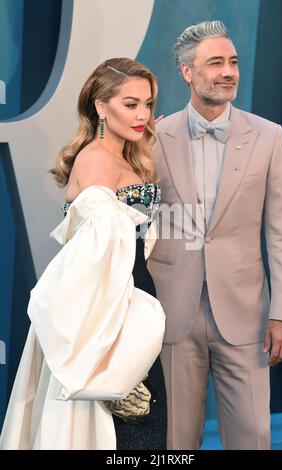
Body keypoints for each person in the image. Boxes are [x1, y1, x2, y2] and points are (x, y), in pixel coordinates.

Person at [147, 20, 282, 450]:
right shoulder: (153, 136)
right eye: (215, 63)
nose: (228, 71)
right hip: (172, 312)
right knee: (174, 442)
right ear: (187, 72)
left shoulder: (269, 136)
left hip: (247, 314)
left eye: (233, 61)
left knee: (253, 437)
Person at [0, 58, 167, 450]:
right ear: (100, 106)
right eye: (130, 104)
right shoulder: (96, 159)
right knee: (124, 436)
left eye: (148, 104)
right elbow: (92, 264)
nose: (142, 114)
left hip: (132, 299)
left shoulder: (127, 158)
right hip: (107, 313)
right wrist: (105, 347)